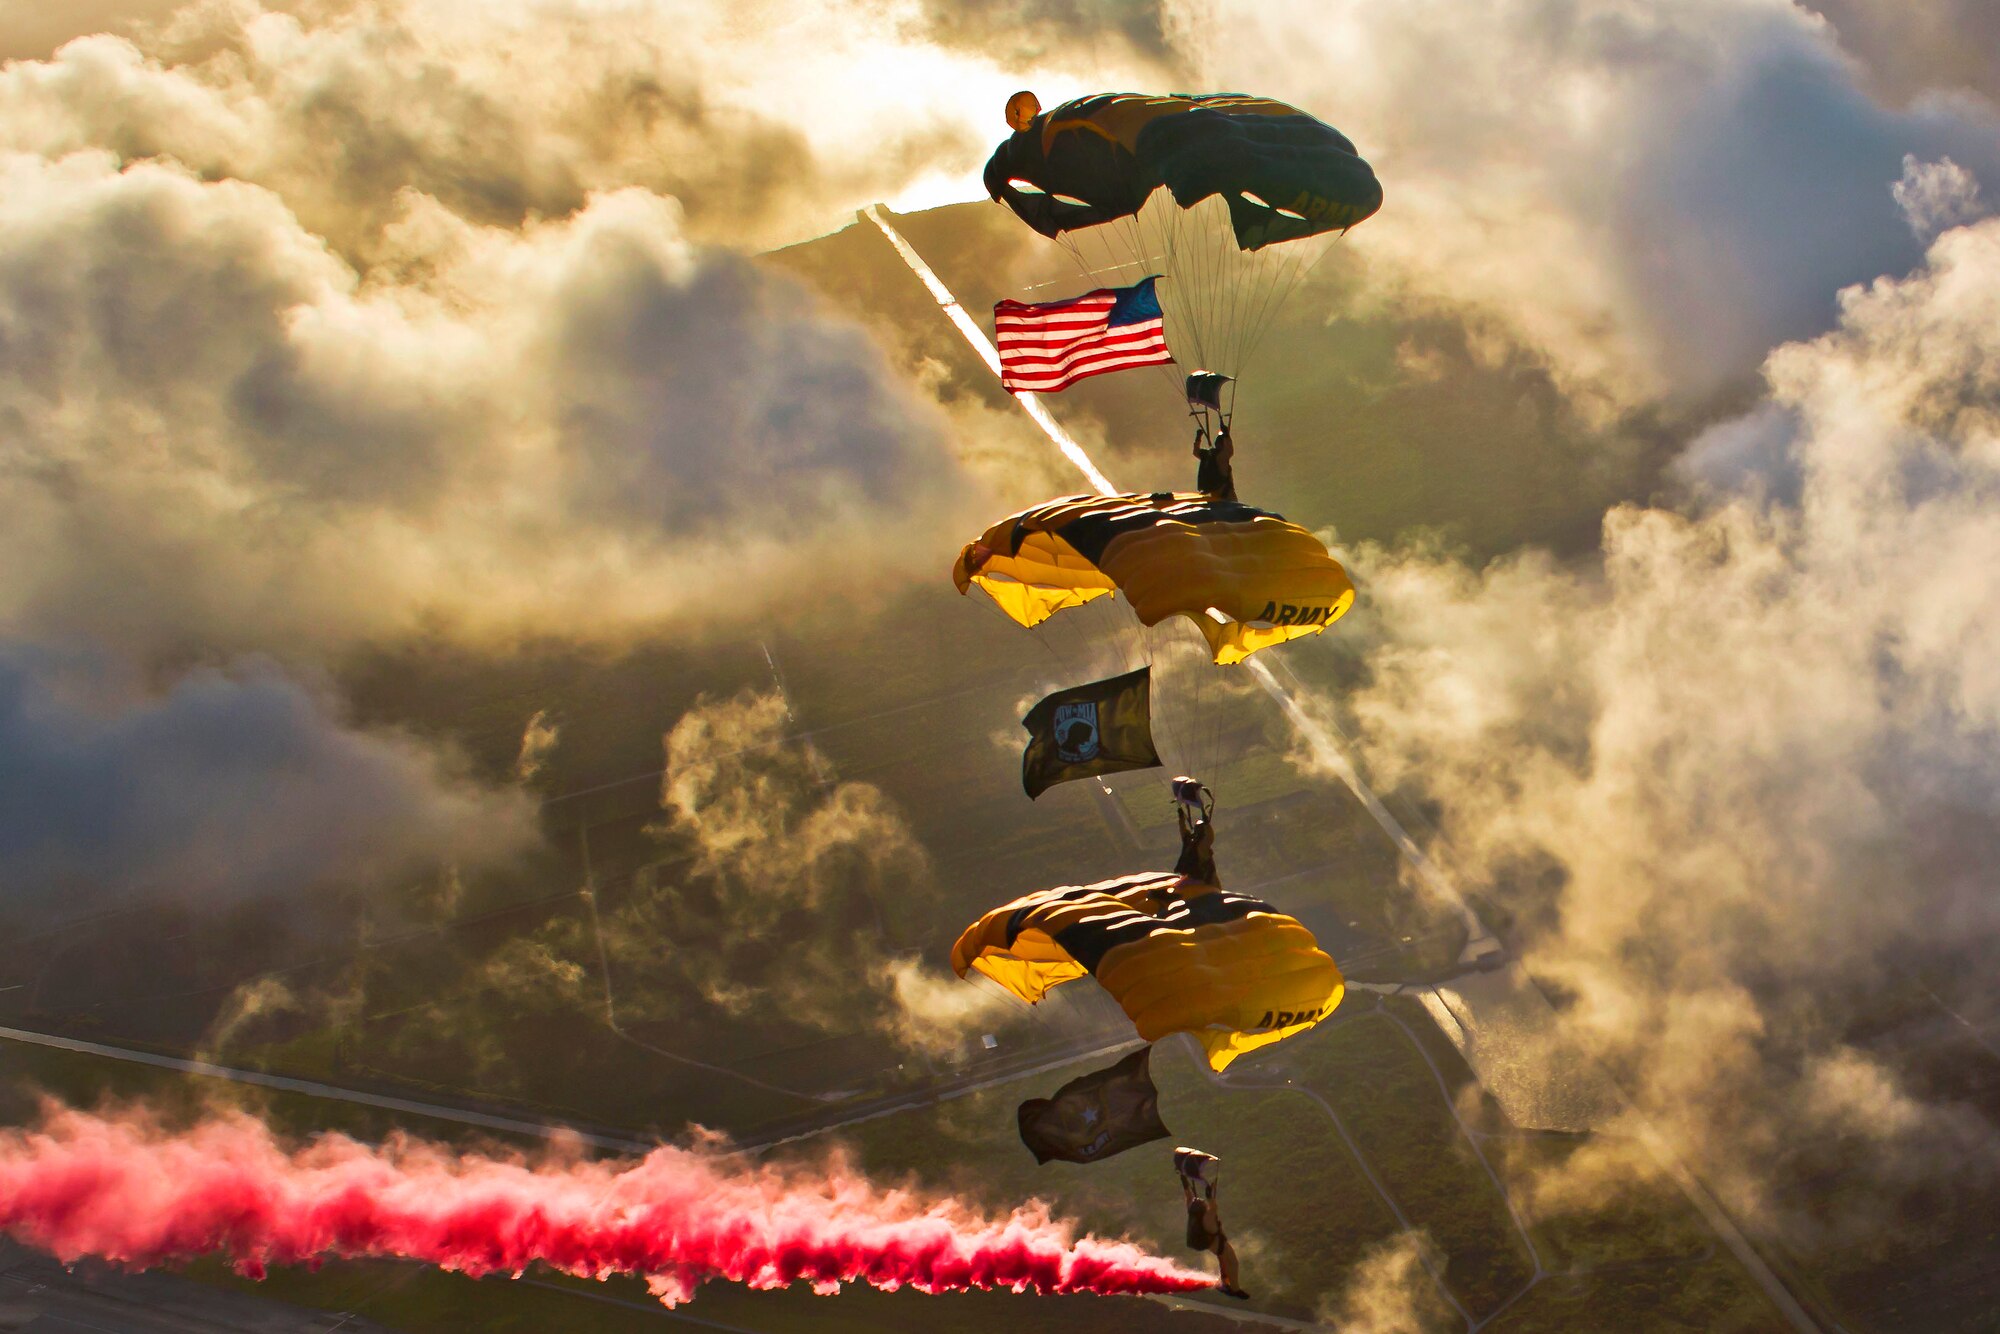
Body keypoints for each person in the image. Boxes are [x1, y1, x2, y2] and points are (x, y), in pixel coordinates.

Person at [1175, 1148, 1250, 1300]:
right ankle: (1233, 1289)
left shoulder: (1192, 1209)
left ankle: (1227, 1283)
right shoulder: (1208, 1217)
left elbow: (1188, 1195)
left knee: (1224, 1260)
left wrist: (1184, 1180)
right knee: (1232, 1262)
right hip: (1216, 1242)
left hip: (1209, 1242)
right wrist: (1210, 1192)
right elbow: (1213, 1206)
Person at [1173, 778, 1220, 886]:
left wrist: (1181, 817)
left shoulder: (1199, 845)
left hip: (1203, 883)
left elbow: (1209, 836)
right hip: (1195, 883)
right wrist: (1181, 816)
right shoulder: (1193, 843)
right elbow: (1183, 830)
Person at [1193, 423, 1236, 501]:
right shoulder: (1221, 456)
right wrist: (1227, 436)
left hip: (1215, 498)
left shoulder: (1208, 456)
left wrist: (1198, 438)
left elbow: (1196, 452)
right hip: (1227, 497)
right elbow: (1230, 450)